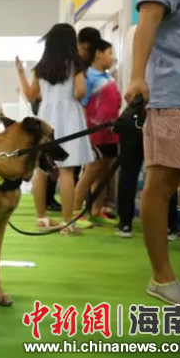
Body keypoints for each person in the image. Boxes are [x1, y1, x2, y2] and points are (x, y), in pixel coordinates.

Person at [125, 0, 180, 307]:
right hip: (176, 89)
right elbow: (149, 18)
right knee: (161, 185)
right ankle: (162, 277)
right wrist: (138, 76)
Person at [17, 23, 94, 235]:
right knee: (67, 171)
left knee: (42, 169)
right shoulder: (75, 64)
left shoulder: (41, 67)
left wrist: (21, 74)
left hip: (46, 117)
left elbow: (32, 95)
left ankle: (41, 218)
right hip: (69, 116)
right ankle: (68, 224)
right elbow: (80, 92)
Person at [73, 39, 121, 227]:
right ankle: (76, 213)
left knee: (103, 172)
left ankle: (96, 210)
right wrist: (86, 132)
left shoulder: (110, 78)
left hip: (111, 131)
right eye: (109, 53)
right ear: (98, 54)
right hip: (94, 132)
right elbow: (82, 104)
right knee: (91, 170)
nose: (112, 57)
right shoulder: (88, 76)